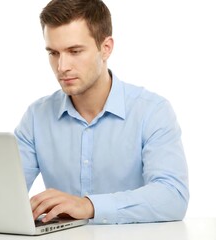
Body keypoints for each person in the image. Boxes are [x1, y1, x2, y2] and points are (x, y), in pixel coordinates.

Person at [14, 0, 189, 224]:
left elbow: (173, 197)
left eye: (74, 51)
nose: (62, 66)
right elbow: (4, 194)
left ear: (105, 48)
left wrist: (89, 206)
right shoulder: (37, 117)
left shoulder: (152, 111)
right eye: (53, 53)